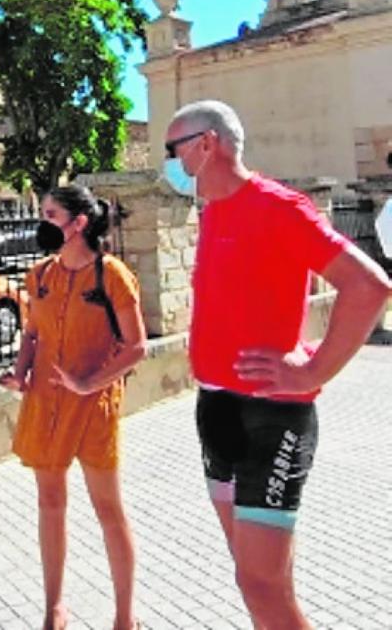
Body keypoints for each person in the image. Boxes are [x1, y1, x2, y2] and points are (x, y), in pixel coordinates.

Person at [164, 99, 392, 629]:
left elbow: (369, 286)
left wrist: (313, 372)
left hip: (269, 417)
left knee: (260, 582)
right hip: (217, 409)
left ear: (206, 145)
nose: (168, 164)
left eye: (172, 149)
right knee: (257, 579)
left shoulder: (278, 207)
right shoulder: (214, 210)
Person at [0, 185, 148, 630]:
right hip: (46, 403)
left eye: (50, 214)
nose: (42, 222)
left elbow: (137, 347)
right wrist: (20, 372)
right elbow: (32, 333)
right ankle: (55, 608)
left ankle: (125, 616)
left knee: (108, 509)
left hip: (94, 405)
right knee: (50, 502)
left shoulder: (112, 275)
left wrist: (87, 384)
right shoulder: (40, 275)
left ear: (78, 223)